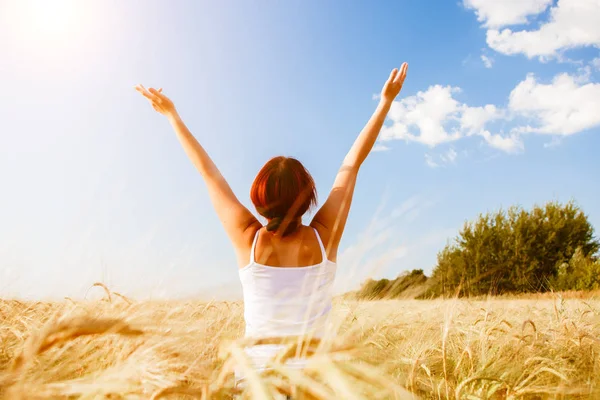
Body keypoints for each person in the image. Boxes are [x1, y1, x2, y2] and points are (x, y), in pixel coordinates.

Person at [134, 62, 408, 391]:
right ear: (307, 196)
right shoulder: (323, 237)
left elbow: (209, 173)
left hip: (255, 385)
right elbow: (351, 164)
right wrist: (385, 102)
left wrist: (173, 117)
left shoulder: (247, 238)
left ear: (258, 198)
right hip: (316, 386)